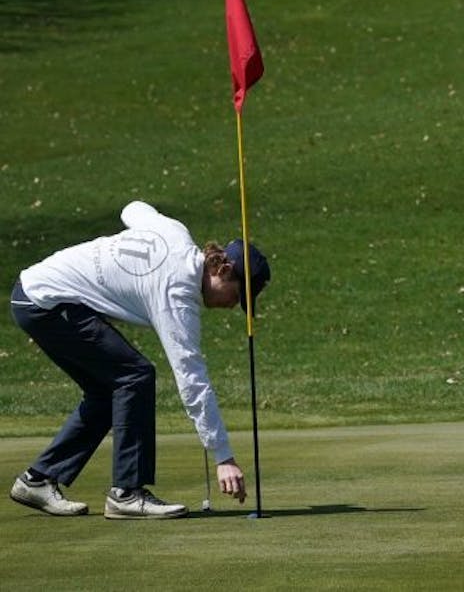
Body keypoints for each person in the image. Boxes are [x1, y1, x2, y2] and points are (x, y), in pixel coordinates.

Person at [9, 200, 269, 519]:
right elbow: (191, 380)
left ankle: (37, 479)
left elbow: (133, 209)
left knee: (110, 390)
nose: (234, 305)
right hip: (45, 302)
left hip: (34, 293)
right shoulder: (177, 293)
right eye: (238, 294)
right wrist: (224, 457)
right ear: (223, 269)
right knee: (135, 376)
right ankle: (127, 493)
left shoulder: (175, 232)